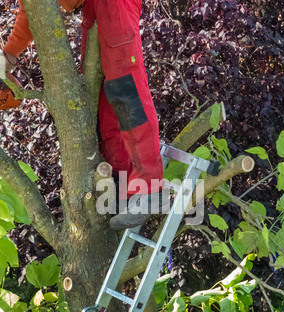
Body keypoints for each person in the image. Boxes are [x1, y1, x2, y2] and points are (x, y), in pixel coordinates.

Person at [1, 0, 165, 229]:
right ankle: (122, 190)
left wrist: (9, 55)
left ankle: (150, 190)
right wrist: (8, 56)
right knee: (102, 103)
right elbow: (33, 7)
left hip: (113, 5)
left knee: (127, 92)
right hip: (92, 8)